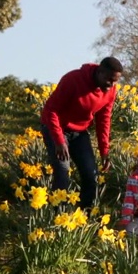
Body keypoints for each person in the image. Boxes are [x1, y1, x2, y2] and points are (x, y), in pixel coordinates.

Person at [41, 56, 122, 210]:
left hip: (79, 131)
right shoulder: (73, 79)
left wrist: (104, 150)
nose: (111, 85)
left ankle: (85, 216)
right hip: (56, 128)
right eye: (109, 79)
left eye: (115, 81)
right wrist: (59, 141)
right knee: (63, 170)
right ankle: (58, 215)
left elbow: (104, 119)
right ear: (100, 72)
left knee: (91, 174)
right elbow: (51, 110)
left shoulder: (111, 90)